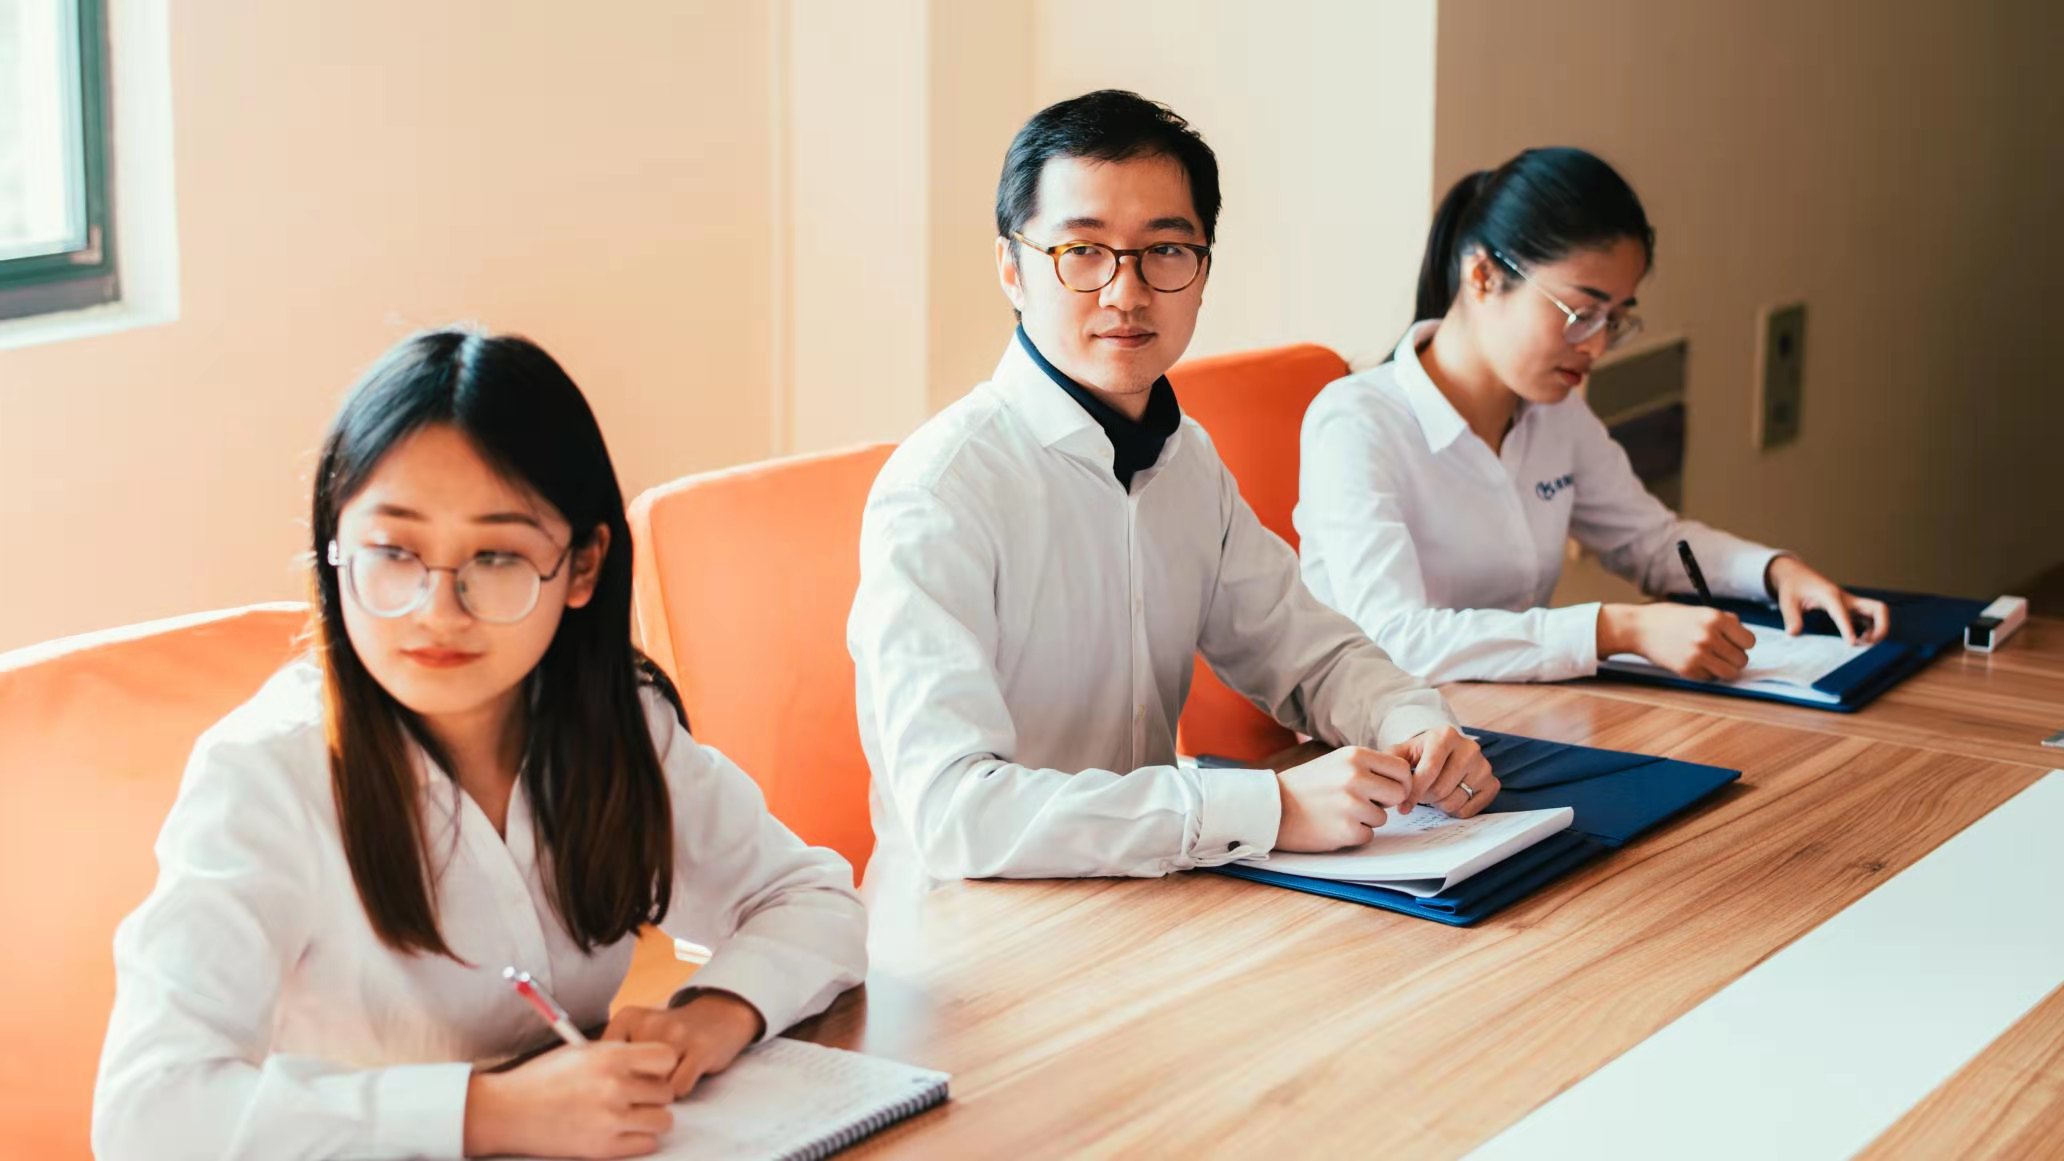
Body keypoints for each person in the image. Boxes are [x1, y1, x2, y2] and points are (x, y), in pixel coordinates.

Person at [94, 330, 867, 1161]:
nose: (439, 607)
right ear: (334, 550)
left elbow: (813, 897)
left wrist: (715, 1012)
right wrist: (488, 1112)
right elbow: (147, 1112)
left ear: (582, 567)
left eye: (496, 555)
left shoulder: (618, 723)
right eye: (393, 552)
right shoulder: (263, 778)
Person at [848, 90, 1495, 889]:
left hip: (1155, 903)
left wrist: (1414, 723)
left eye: (1165, 250)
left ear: (1201, 271)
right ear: (1012, 269)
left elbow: (1311, 656)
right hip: (970, 938)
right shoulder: (941, 490)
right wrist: (1266, 808)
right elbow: (956, 815)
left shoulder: (1185, 460)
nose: (1126, 291)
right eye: (1081, 251)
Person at [1296, 147, 1889, 685]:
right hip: (1380, 761)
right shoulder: (1357, 424)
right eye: (1580, 312)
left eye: (1616, 318)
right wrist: (1615, 629)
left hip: (1513, 723)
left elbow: (1653, 543)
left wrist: (1775, 572)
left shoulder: (1553, 414)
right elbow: (1393, 641)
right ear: (1482, 276)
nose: (1597, 346)